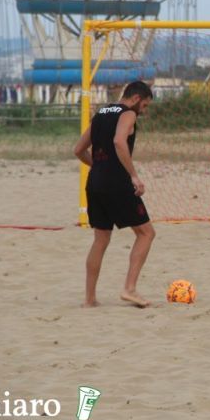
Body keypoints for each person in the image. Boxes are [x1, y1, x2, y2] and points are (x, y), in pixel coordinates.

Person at [73, 80, 156, 307]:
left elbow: (78, 149)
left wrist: (98, 167)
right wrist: (134, 176)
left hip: (95, 183)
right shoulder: (128, 113)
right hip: (117, 182)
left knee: (100, 239)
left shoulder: (100, 113)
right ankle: (129, 289)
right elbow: (119, 142)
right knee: (146, 233)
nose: (144, 111)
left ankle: (89, 299)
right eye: (145, 105)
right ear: (137, 99)